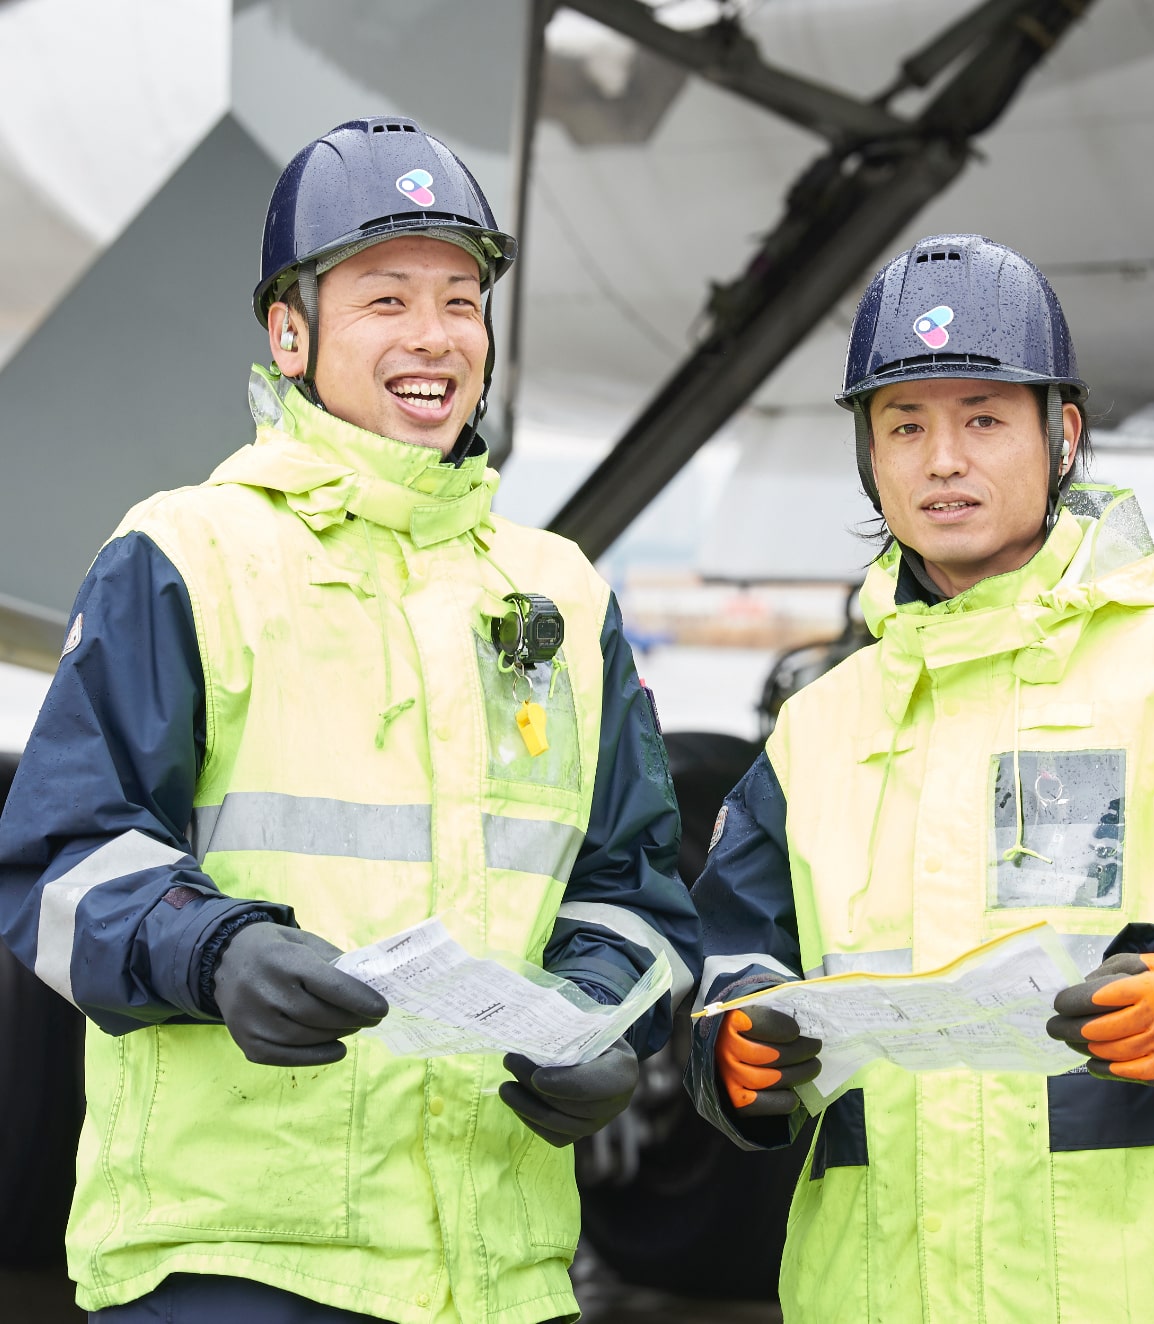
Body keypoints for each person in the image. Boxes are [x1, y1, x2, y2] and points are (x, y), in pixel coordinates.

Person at [0, 116, 701, 1324]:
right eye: (385, 300)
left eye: (461, 300)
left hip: (496, 1271)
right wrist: (218, 954)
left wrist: (603, 1023)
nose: (434, 338)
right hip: (238, 1261)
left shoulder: (564, 596)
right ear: (291, 330)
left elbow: (633, 891)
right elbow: (57, 865)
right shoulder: (186, 555)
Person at [684, 233, 1154, 1322]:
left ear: (1060, 435)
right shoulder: (814, 732)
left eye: (982, 418)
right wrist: (729, 1053)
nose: (943, 460)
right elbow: (728, 969)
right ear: (868, 457)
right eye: (905, 425)